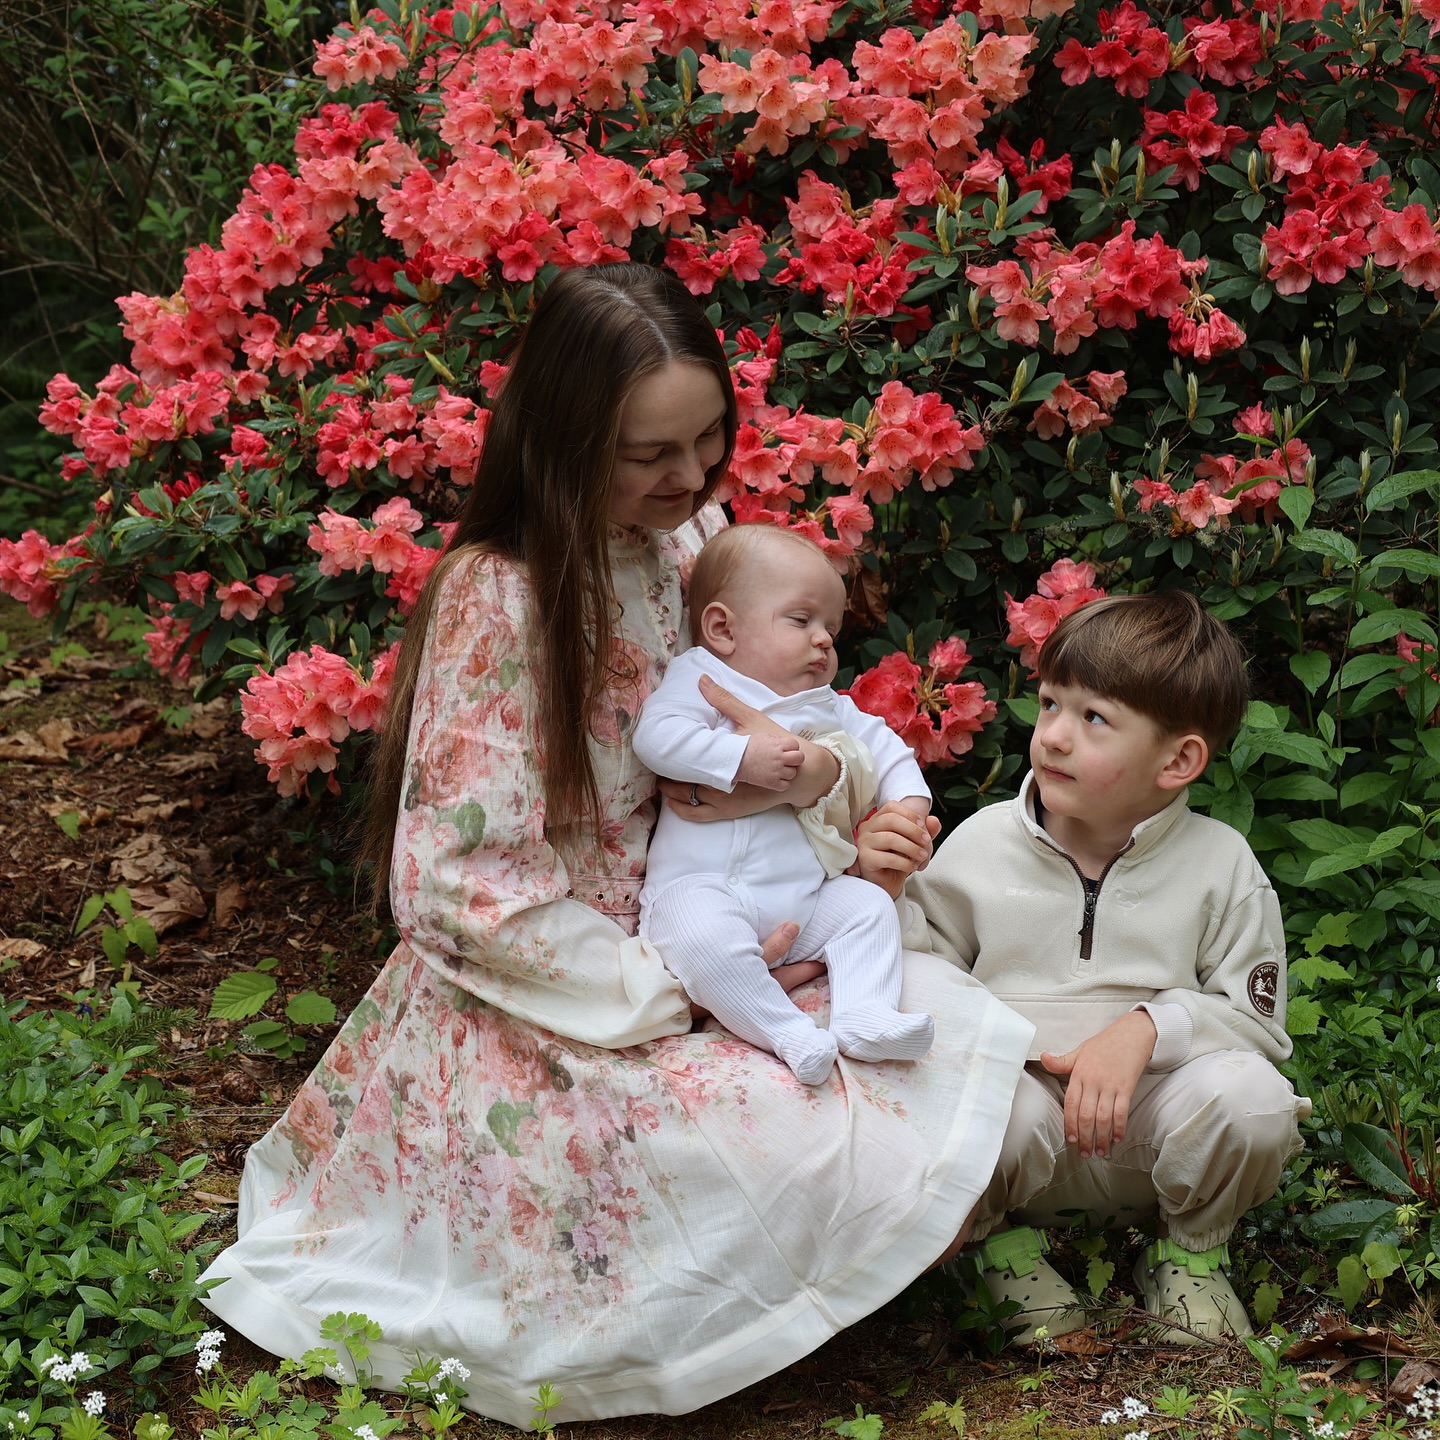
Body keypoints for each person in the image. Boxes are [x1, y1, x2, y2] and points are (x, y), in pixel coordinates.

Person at [197, 262, 1033, 1425]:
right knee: (783, 1138)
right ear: (568, 439)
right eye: (651, 453)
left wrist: (839, 796)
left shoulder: (694, 542)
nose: (691, 475)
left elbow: (781, 725)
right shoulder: (503, 596)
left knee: (932, 1040)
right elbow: (457, 885)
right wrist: (671, 984)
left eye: (709, 439)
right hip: (569, 986)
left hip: (731, 908)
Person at [899, 591, 1309, 1345]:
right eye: (1051, 703)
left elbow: (1256, 1027)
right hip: (1021, 1132)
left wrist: (1148, 1028)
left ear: (1177, 760)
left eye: (1094, 719)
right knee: (957, 1099)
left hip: (1153, 1134)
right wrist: (881, 888)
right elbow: (918, 975)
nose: (1053, 735)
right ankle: (998, 1254)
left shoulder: (1222, 865)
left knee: (1254, 1100)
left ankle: (1189, 1257)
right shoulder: (981, 845)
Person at [633, 524, 935, 1086]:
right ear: (722, 628)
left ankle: (865, 1015)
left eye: (832, 629)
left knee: (868, 907)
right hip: (702, 888)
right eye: (802, 620)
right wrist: (741, 758)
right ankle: (786, 1032)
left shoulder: (827, 705)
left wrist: (909, 809)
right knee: (700, 937)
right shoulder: (702, 678)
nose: (824, 641)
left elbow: (890, 751)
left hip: (802, 901)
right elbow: (657, 737)